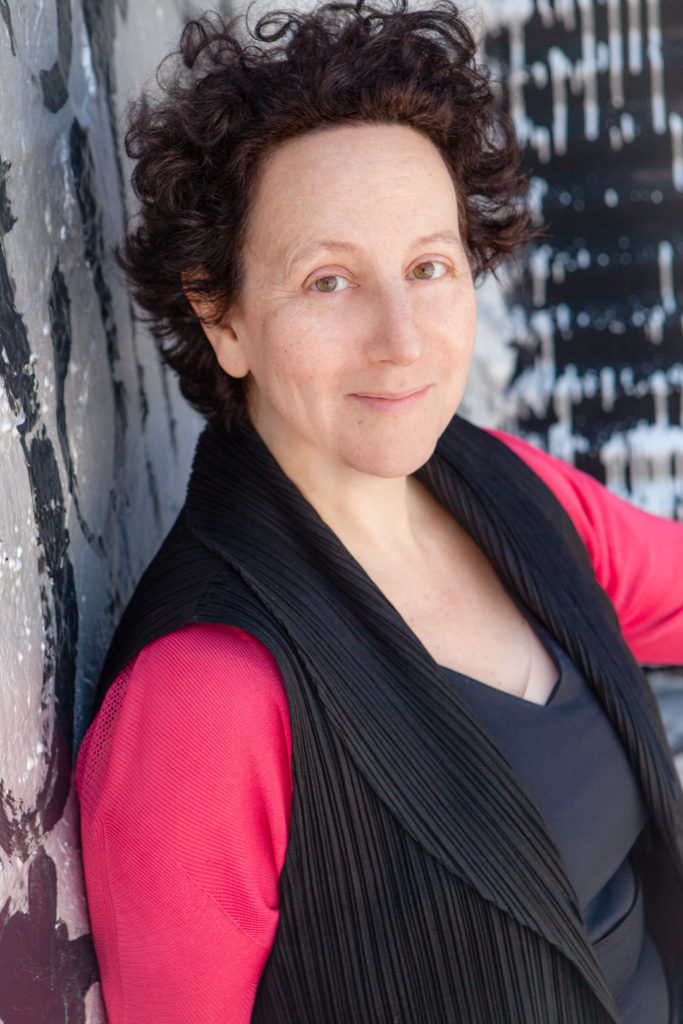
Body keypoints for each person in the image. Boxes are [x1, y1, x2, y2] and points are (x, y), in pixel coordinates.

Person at [76, 3, 683, 1021]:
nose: (399, 338)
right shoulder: (201, 693)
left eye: (427, 266)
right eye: (328, 280)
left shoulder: (503, 488)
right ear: (222, 317)